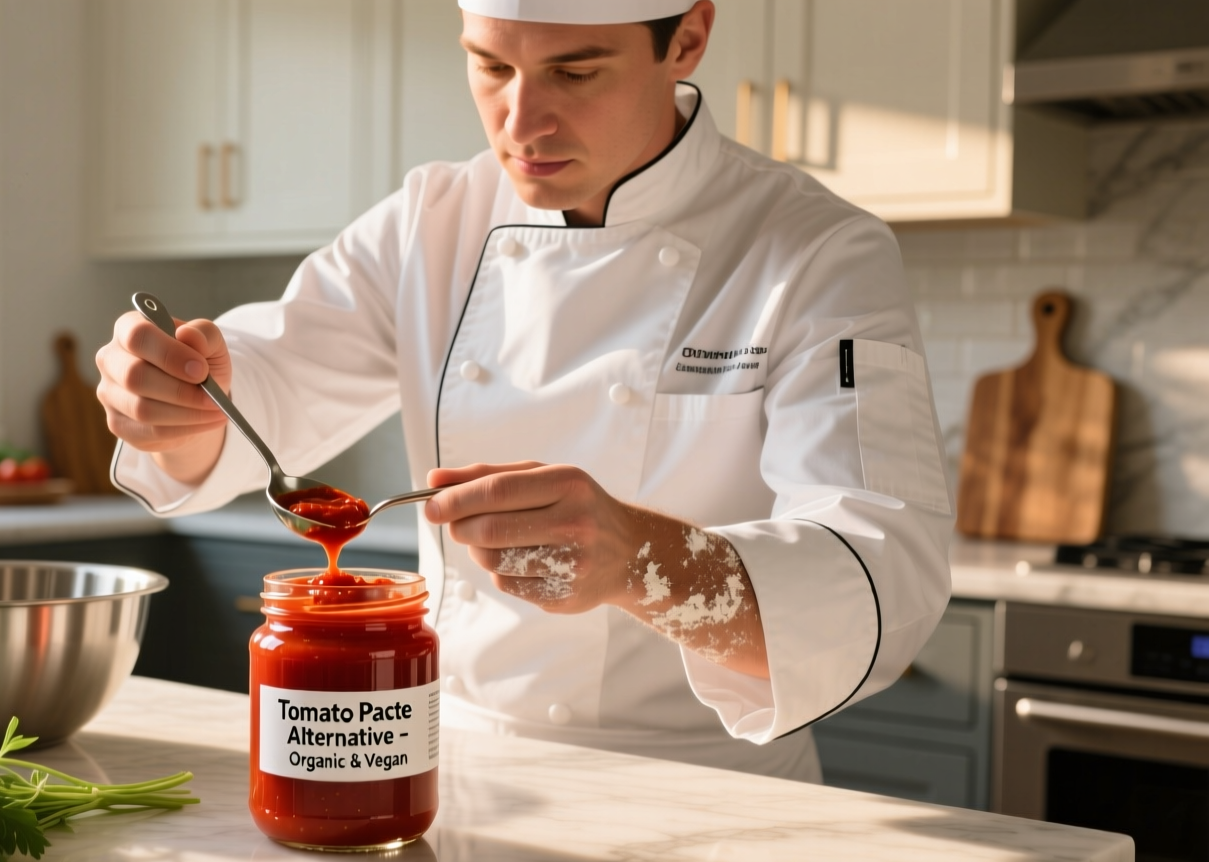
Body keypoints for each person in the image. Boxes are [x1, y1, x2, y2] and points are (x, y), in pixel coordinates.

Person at [97, 0, 952, 781]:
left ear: (687, 38)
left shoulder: (816, 251)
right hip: (454, 774)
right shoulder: (433, 219)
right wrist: (180, 405)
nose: (521, 122)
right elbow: (268, 382)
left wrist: (645, 561)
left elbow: (884, 570)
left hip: (708, 796)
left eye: (575, 73)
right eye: (491, 67)